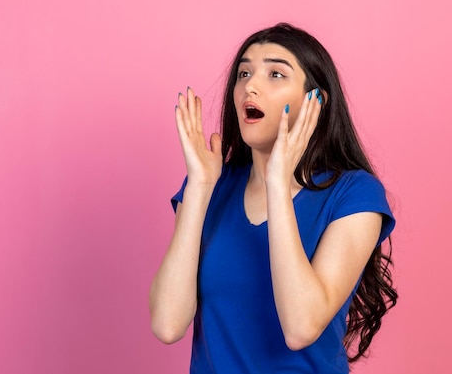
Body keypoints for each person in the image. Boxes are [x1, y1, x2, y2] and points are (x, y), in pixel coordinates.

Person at [149, 23, 397, 373]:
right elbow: (167, 324)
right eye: (244, 72)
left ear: (316, 101)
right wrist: (201, 187)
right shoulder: (210, 186)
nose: (250, 85)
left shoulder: (354, 193)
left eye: (275, 73)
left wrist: (278, 184)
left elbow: (301, 327)